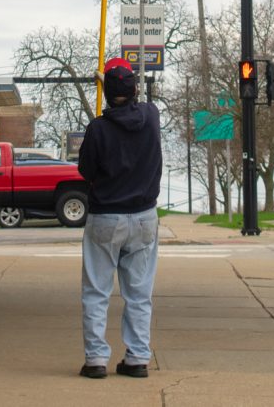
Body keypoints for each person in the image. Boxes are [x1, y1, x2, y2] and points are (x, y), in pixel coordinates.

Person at [77, 57, 162, 380]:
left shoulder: (97, 129)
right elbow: (136, 100)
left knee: (96, 292)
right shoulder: (151, 117)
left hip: (105, 217)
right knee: (139, 293)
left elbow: (86, 170)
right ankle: (138, 357)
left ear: (107, 92)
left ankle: (96, 358)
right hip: (144, 217)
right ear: (135, 89)